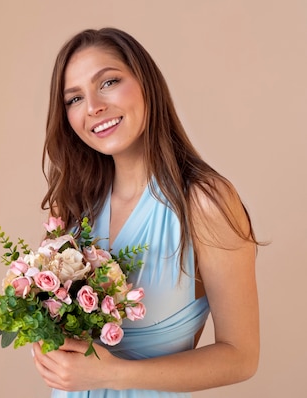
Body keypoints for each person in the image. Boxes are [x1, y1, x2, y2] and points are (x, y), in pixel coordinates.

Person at [32, 27, 261, 397]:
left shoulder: (204, 201)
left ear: (146, 83)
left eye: (108, 82)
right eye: (74, 99)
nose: (93, 106)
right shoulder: (75, 204)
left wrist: (111, 375)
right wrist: (46, 345)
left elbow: (241, 357)